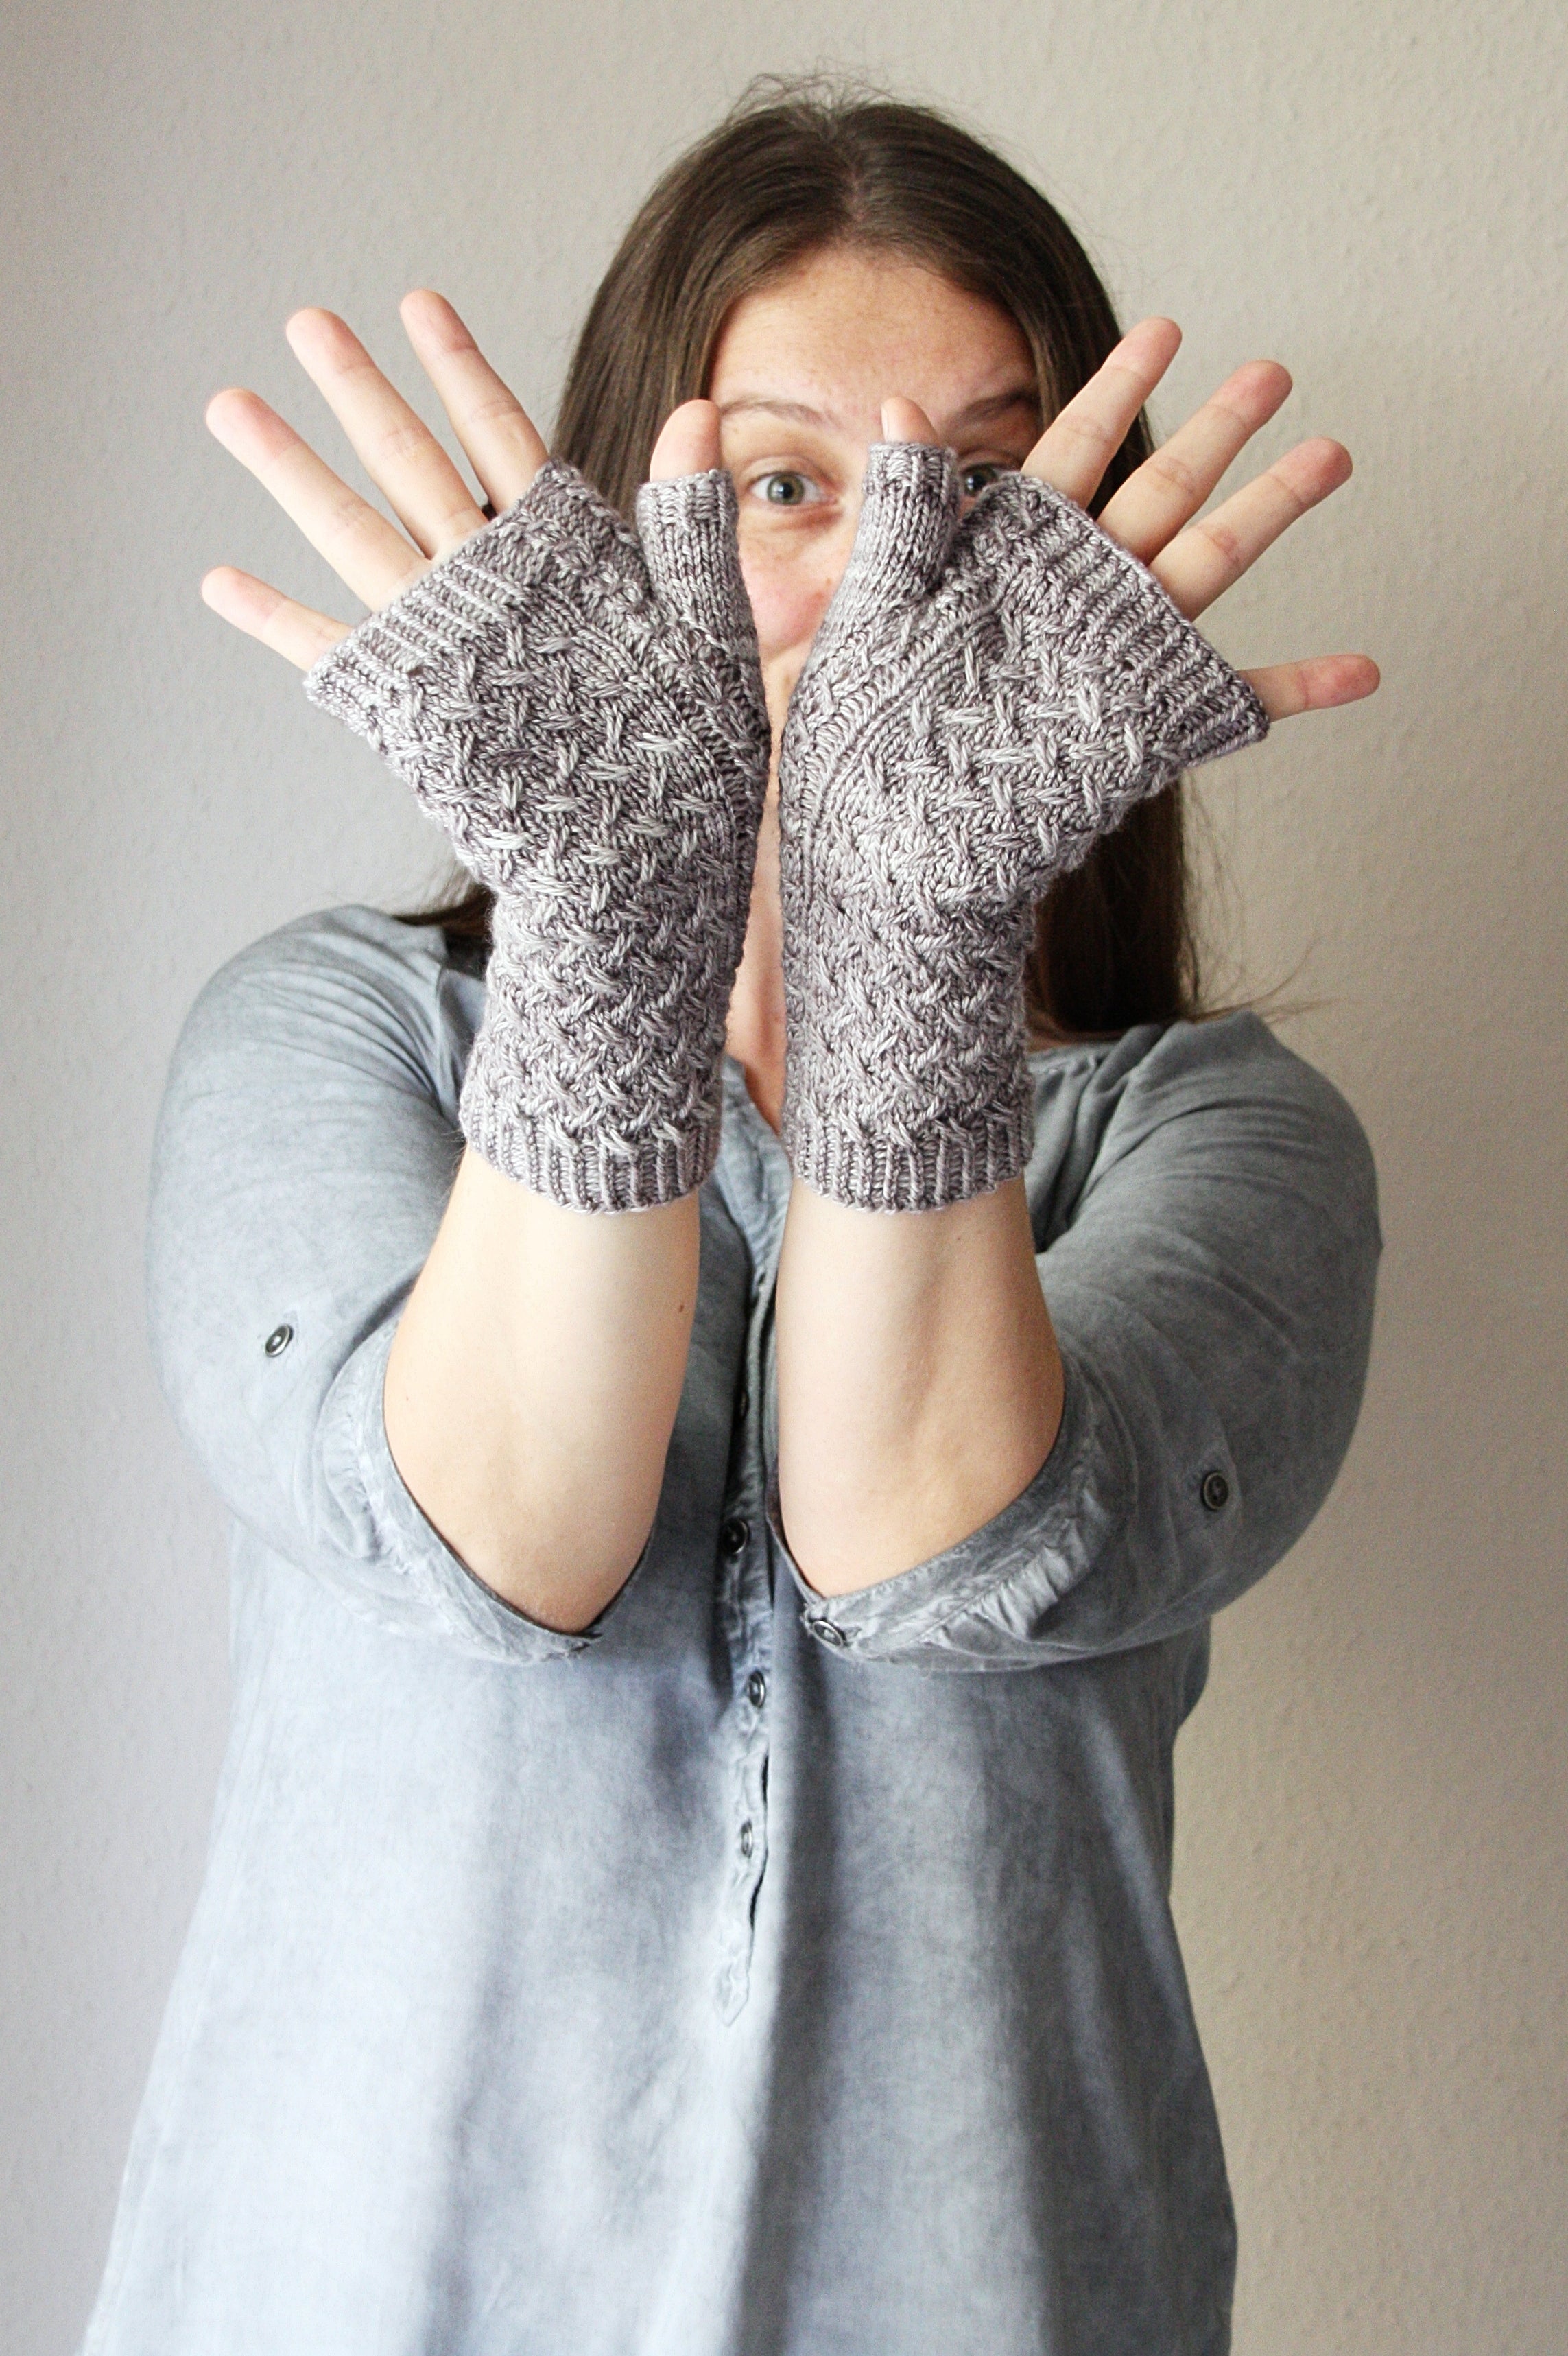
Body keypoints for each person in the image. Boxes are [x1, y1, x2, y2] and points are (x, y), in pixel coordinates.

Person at [82, 81, 1381, 2356]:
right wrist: (610, 920)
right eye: (787, 483)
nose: (885, 576)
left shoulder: (1225, 1139)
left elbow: (926, 1540)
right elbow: (507, 1529)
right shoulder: (332, 1036)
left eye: (980, 491)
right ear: (629, 537)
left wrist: (910, 924)